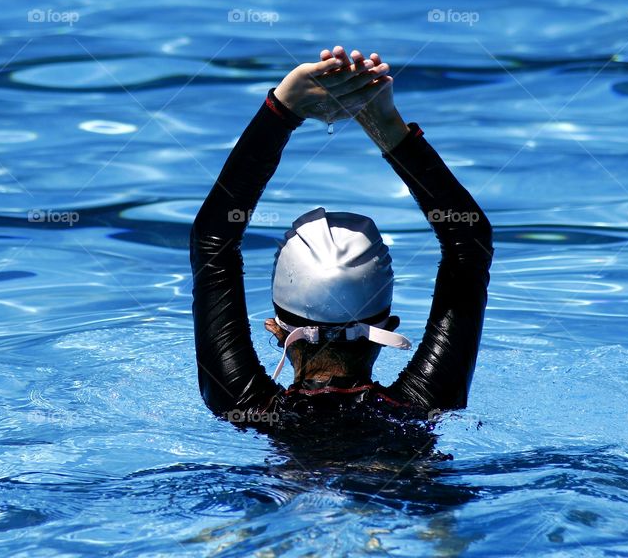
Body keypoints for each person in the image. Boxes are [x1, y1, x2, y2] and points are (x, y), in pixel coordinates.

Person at [190, 46, 493, 429]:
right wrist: (387, 125)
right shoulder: (424, 406)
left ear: (275, 328)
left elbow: (212, 239)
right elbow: (469, 242)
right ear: (389, 328)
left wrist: (282, 109)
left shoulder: (242, 404)